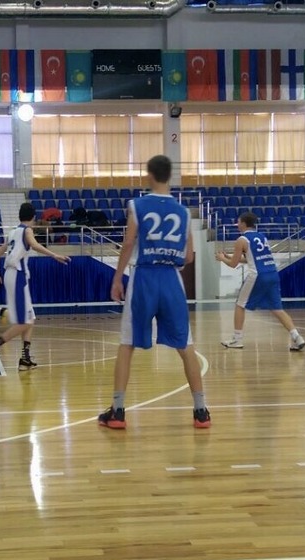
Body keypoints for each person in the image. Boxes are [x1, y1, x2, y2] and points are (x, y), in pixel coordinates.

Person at [98, 155, 211, 430]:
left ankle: (118, 411)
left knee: (127, 344)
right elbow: (189, 256)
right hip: (172, 280)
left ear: (149, 175)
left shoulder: (137, 205)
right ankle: (201, 411)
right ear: (170, 176)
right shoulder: (184, 212)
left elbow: (128, 243)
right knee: (186, 346)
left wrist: (117, 278)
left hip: (144, 277)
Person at [0, 202, 70, 372]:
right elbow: (34, 245)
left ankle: (25, 359)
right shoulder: (27, 230)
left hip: (11, 274)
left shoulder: (13, 232)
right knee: (23, 323)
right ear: (33, 217)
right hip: (17, 275)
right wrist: (55, 255)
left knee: (30, 319)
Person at [215, 211, 305, 352]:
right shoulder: (261, 236)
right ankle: (297, 337)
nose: (237, 224)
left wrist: (222, 258)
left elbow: (233, 265)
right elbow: (251, 259)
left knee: (240, 305)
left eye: (238, 222)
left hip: (258, 276)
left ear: (243, 223)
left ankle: (237, 339)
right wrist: (229, 256)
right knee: (277, 309)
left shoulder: (241, 240)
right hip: (272, 274)